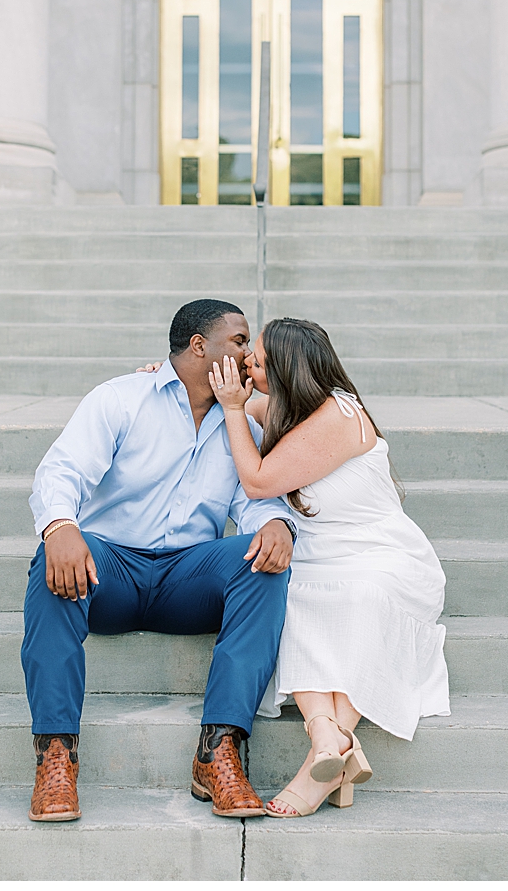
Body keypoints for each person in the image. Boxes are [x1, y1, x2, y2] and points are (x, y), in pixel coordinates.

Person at [23, 299, 298, 822]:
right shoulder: (120, 399)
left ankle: (218, 751)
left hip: (185, 578)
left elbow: (256, 499)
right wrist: (59, 526)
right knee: (51, 558)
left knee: (261, 561)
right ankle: (55, 755)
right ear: (200, 347)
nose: (248, 353)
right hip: (109, 573)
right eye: (240, 341)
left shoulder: (240, 423)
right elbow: (62, 471)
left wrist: (278, 524)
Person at [206, 317, 449, 818]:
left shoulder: (339, 414)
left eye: (260, 358)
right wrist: (155, 378)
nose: (249, 361)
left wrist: (233, 408)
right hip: (319, 554)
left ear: (290, 368)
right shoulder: (277, 407)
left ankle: (317, 763)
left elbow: (255, 481)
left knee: (361, 597)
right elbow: (208, 399)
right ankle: (332, 744)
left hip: (381, 554)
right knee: (292, 594)